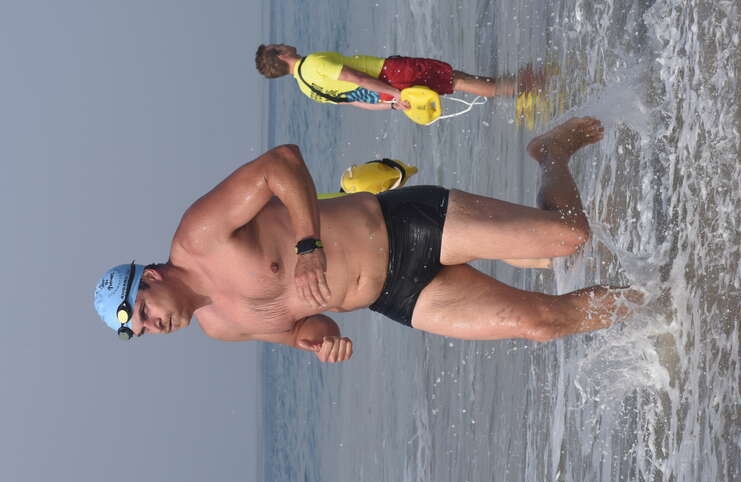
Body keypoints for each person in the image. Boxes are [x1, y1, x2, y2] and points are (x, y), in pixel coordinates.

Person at [93, 117, 640, 363]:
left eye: (140, 310)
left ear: (152, 277)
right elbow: (303, 327)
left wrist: (308, 247)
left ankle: (551, 154)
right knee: (540, 325)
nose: (150, 326)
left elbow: (280, 163)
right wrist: (322, 339)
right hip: (394, 296)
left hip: (403, 223)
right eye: (138, 331)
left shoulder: (198, 236)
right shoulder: (220, 327)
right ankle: (659, 303)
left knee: (568, 239)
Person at [254, 44, 496, 111]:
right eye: (277, 45)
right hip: (389, 75)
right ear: (281, 55)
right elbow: (356, 78)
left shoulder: (306, 89)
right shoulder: (312, 63)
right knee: (457, 80)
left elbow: (356, 100)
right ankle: (518, 88)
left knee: (456, 81)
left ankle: (513, 88)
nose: (283, 43)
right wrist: (396, 93)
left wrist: (391, 103)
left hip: (385, 93)